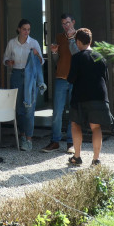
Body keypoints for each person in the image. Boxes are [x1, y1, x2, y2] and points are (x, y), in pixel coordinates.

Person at [66, 27, 114, 166]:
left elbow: (71, 79)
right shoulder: (101, 57)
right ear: (90, 41)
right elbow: (106, 78)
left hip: (80, 97)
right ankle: (96, 159)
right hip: (99, 96)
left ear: (78, 42)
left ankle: (77, 157)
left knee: (75, 124)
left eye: (76, 42)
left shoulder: (76, 57)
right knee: (96, 127)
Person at [3, 19, 42, 151]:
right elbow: (5, 58)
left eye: (28, 29)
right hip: (16, 74)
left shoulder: (34, 43)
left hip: (30, 76)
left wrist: (36, 55)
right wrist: (8, 62)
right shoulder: (12, 43)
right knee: (19, 107)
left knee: (29, 108)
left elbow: (41, 62)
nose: (26, 32)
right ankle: (22, 135)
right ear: (19, 29)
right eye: (24, 29)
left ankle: (29, 139)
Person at [41, 13, 77, 153]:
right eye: (63, 23)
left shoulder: (80, 35)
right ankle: (55, 141)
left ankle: (71, 143)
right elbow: (58, 62)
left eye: (68, 23)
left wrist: (72, 39)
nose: (66, 26)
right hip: (61, 78)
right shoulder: (59, 37)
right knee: (57, 112)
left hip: (75, 79)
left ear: (73, 22)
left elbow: (78, 56)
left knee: (73, 112)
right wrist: (54, 53)